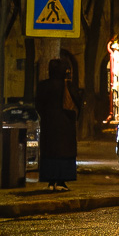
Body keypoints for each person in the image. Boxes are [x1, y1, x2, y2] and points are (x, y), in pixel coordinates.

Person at [35, 58, 82, 192]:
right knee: (64, 154)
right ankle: (61, 181)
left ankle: (50, 182)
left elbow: (38, 105)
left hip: (49, 125)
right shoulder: (68, 86)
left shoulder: (43, 85)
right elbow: (77, 103)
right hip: (66, 126)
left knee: (49, 153)